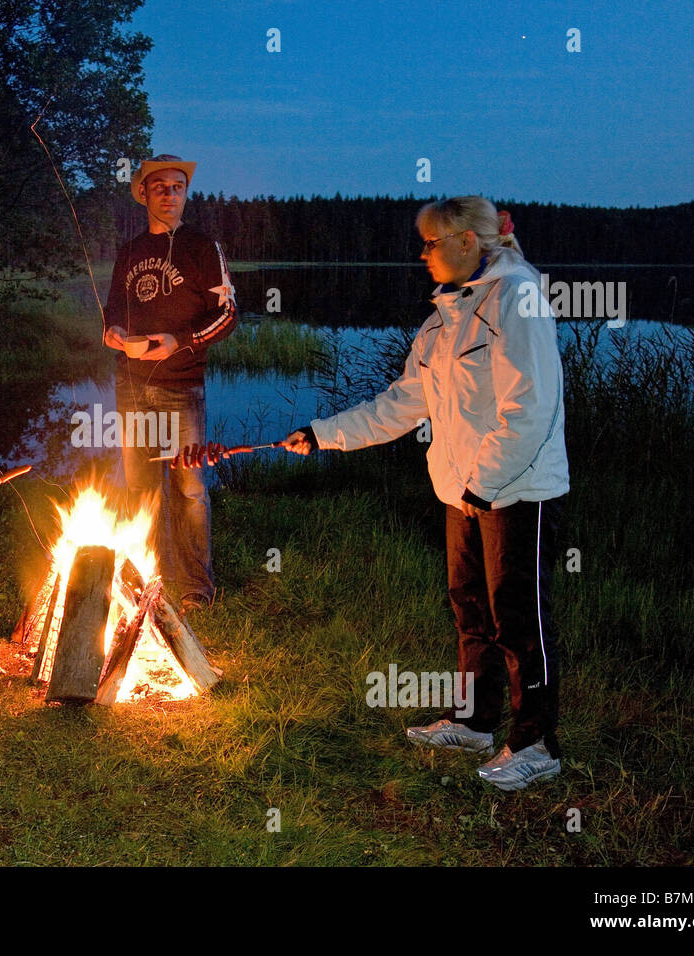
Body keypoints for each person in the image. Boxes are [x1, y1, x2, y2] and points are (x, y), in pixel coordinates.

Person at [283, 197, 569, 791]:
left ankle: (537, 743)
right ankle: (475, 722)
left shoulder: (515, 298)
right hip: (461, 490)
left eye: (431, 242)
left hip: (513, 489)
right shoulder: (444, 315)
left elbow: (531, 405)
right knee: (470, 610)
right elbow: (402, 403)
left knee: (519, 619)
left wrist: (484, 483)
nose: (423, 253)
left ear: (467, 241)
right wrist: (323, 435)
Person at [103, 154, 237, 613]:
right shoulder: (131, 251)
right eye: (159, 186)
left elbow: (228, 315)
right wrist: (114, 332)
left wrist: (179, 341)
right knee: (140, 486)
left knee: (190, 488)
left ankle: (197, 587)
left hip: (182, 386)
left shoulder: (204, 248)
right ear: (143, 193)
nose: (170, 193)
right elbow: (113, 310)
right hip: (133, 386)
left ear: (185, 193)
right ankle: (146, 581)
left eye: (178, 186)